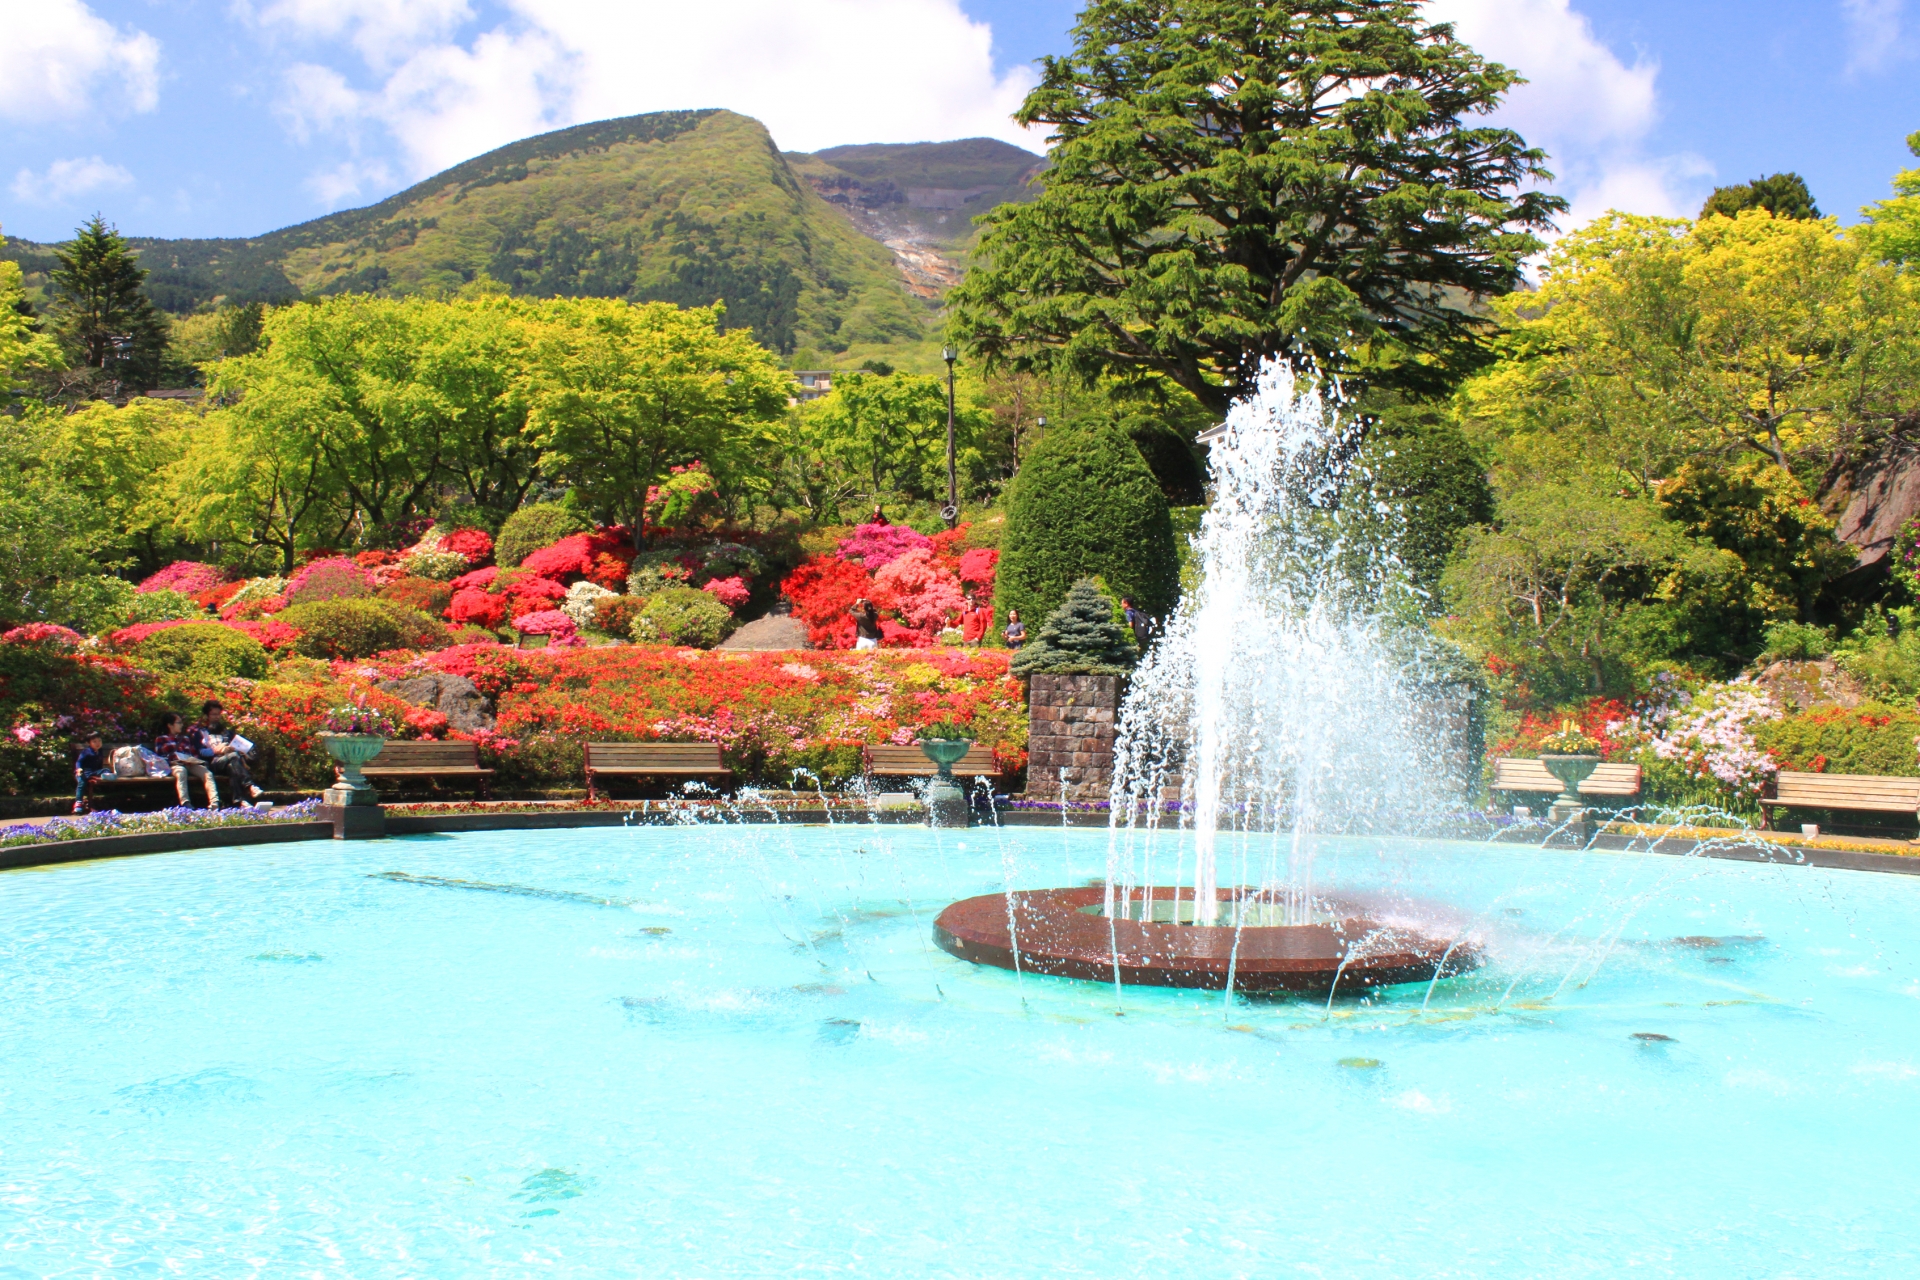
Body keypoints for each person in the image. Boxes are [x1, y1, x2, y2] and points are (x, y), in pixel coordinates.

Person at [187, 700, 270, 809]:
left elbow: (241, 745)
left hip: (230, 762)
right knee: (234, 757)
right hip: (213, 763)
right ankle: (250, 785)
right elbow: (201, 752)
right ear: (207, 716)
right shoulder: (201, 733)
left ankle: (240, 801)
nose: (216, 717)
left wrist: (237, 748)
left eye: (218, 714)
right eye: (213, 714)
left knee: (233, 765)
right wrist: (218, 751)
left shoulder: (227, 733)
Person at [156, 711, 218, 809]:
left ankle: (214, 803)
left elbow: (192, 753)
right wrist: (173, 759)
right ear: (170, 725)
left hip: (190, 764)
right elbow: (160, 757)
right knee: (181, 772)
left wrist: (196, 760)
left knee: (207, 773)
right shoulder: (161, 739)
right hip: (175, 765)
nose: (182, 725)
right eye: (179, 723)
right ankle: (185, 803)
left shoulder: (185, 738)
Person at [72, 731, 113, 814]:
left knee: (107, 770)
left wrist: (100, 772)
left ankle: (107, 775)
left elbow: (99, 765)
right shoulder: (86, 752)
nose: (98, 743)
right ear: (89, 743)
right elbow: (79, 761)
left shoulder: (99, 751)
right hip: (83, 772)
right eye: (94, 742)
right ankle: (78, 802)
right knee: (82, 782)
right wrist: (79, 769)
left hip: (93, 772)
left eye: (99, 741)